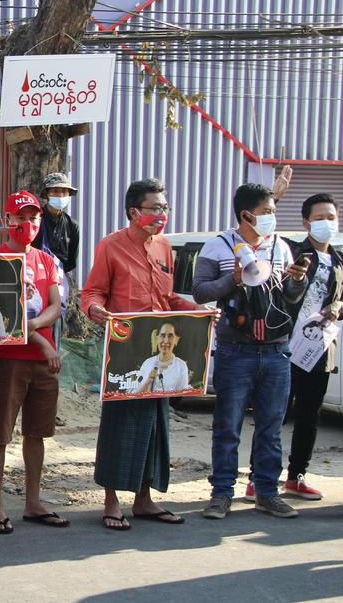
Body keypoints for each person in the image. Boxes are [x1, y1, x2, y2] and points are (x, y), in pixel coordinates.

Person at [82, 179, 205, 530]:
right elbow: (92, 292)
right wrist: (95, 310)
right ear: (135, 212)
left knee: (155, 427)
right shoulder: (110, 246)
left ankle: (145, 500)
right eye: (156, 208)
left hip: (161, 351)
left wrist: (198, 309)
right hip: (124, 352)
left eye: (165, 208)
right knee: (120, 425)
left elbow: (169, 300)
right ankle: (111, 502)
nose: (162, 214)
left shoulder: (165, 246)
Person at [193, 183, 309, 519]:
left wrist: (297, 280)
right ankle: (221, 494)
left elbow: (289, 297)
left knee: (271, 426)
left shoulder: (281, 248)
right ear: (246, 215)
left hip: (276, 351)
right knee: (227, 425)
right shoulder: (218, 246)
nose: (273, 217)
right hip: (235, 350)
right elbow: (200, 291)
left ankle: (267, 492)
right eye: (267, 212)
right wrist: (234, 280)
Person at [0, 191, 67, 535]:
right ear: (8, 220)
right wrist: (35, 335)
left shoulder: (47, 261)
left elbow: (55, 306)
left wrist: (35, 327)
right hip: (10, 358)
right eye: (21, 218)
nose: (28, 224)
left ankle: (33, 502)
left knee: (37, 433)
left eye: (33, 218)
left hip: (43, 358)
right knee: (0, 434)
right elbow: (2, 313)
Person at [276, 193, 343, 500]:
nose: (326, 223)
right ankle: (260, 476)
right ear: (305, 222)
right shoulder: (292, 253)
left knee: (309, 416)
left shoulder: (340, 261)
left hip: (318, 351)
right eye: (319, 218)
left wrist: (337, 307)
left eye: (331, 217)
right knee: (274, 415)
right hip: (285, 347)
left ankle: (297, 477)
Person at [33, 172, 80, 335]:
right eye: (55, 191)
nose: (60, 195)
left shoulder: (72, 225)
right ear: (46, 194)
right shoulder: (36, 219)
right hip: (34, 278)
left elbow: (71, 261)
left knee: (55, 323)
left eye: (63, 192)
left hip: (59, 282)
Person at [133, 323, 190, 394]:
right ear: (157, 338)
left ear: (176, 340)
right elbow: (136, 394)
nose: (166, 341)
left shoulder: (181, 365)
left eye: (170, 336)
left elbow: (182, 395)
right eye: (162, 335)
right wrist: (148, 382)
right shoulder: (147, 363)